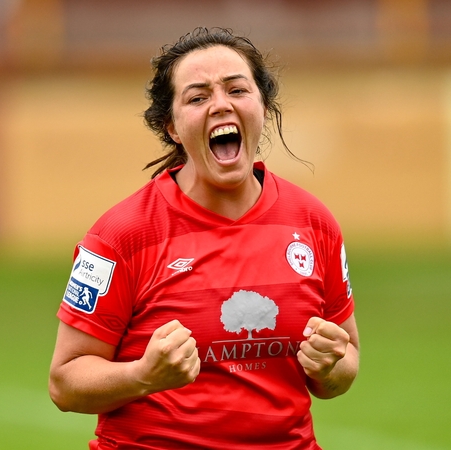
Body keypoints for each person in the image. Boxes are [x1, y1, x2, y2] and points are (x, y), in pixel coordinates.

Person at [49, 27, 359, 449]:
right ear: (172, 127)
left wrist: (330, 368)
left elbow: (343, 366)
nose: (220, 105)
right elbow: (65, 383)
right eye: (197, 97)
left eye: (237, 89)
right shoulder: (120, 235)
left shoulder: (313, 223)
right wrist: (142, 376)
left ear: (263, 107)